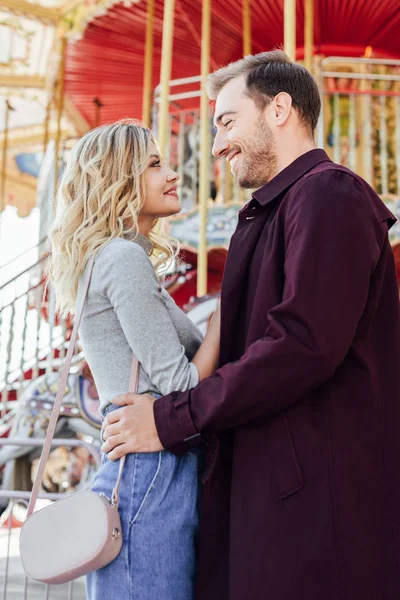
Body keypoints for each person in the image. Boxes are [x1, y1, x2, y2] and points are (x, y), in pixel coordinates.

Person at [102, 52, 400, 600]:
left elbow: (304, 345)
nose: (215, 146)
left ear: (280, 109)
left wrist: (171, 418)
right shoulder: (273, 215)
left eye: (227, 122)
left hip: (315, 516)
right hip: (276, 502)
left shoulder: (329, 195)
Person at [47, 120, 221, 600]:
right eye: (153, 164)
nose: (171, 174)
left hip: (153, 463)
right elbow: (181, 383)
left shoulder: (116, 257)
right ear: (119, 180)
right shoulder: (121, 258)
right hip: (151, 468)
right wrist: (223, 320)